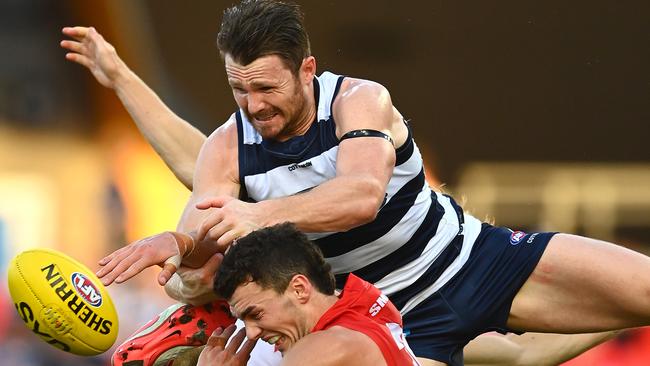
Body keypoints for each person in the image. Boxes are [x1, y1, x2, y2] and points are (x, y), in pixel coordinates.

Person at [61, 1, 650, 365]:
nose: (253, 105)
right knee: (517, 360)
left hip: (474, 259)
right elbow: (204, 206)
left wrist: (255, 216)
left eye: (267, 88)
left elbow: (361, 196)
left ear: (307, 69)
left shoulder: (359, 100)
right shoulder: (227, 144)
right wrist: (181, 245)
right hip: (389, 321)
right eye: (239, 89)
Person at [199, 222, 420, 365]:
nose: (251, 333)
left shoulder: (322, 350)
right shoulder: (364, 306)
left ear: (300, 289)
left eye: (255, 314)